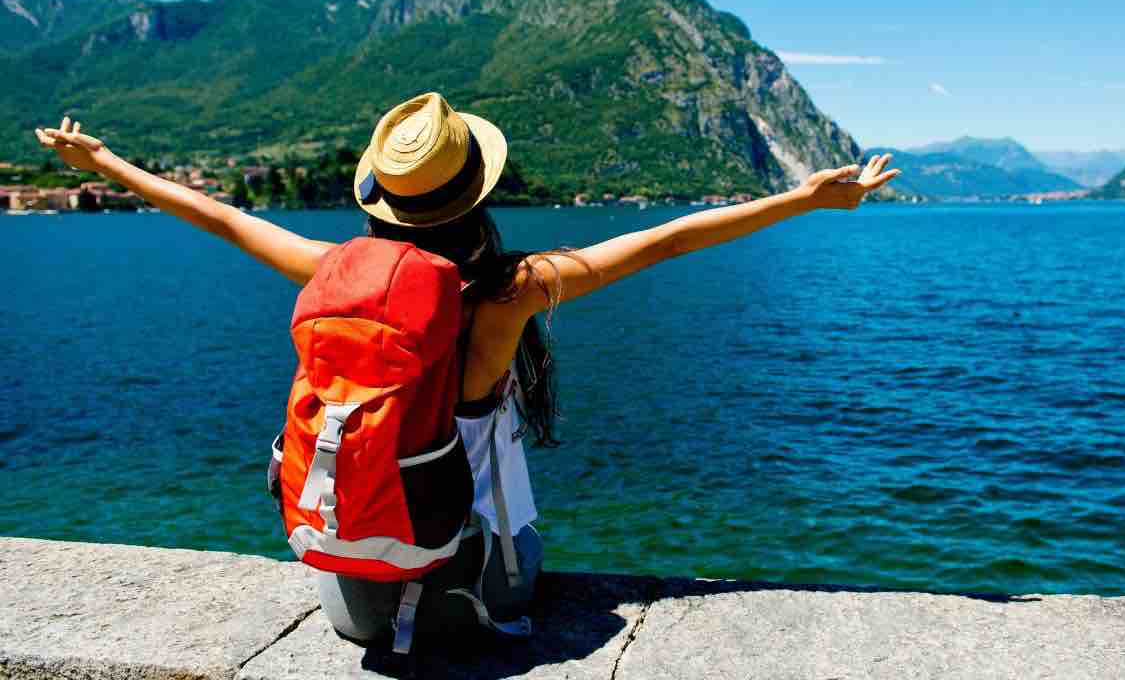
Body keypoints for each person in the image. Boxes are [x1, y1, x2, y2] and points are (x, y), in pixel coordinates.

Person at [33, 92, 899, 643]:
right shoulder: (507, 290)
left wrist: (104, 163)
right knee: (528, 549)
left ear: (386, 197)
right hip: (481, 579)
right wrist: (808, 197)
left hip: (354, 580)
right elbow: (666, 239)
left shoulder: (331, 269)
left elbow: (220, 219)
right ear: (475, 192)